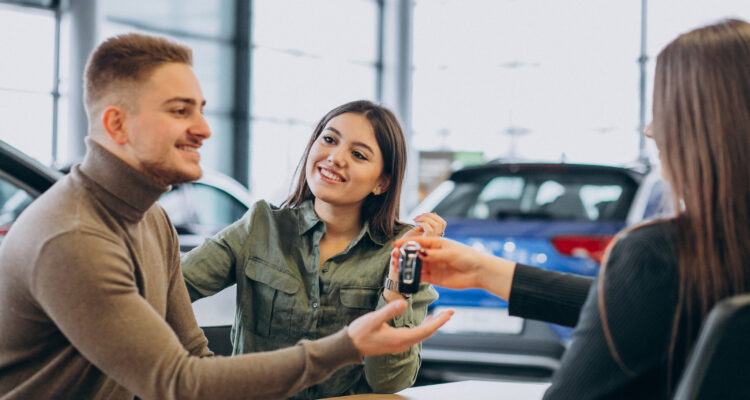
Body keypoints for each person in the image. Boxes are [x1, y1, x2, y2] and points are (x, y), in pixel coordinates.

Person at [0, 33, 452, 400]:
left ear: (382, 182)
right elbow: (177, 382)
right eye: (180, 111)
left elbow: (194, 354)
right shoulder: (74, 236)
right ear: (117, 125)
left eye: (200, 109)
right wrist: (344, 347)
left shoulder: (152, 222)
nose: (205, 129)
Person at [394, 18, 750, 399]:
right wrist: (484, 271)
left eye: (665, 108)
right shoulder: (719, 252)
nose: (650, 129)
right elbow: (635, 304)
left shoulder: (657, 253)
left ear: (705, 124)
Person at [181, 100, 446, 399]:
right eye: (329, 139)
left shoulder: (403, 251)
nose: (335, 158)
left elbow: (389, 382)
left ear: (382, 183)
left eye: (358, 154)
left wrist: (397, 285)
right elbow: (170, 287)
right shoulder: (261, 226)